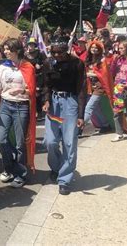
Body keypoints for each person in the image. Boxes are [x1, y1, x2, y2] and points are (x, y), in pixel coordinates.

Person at [43, 36, 86, 195]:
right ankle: (56, 167)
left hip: (70, 103)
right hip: (53, 103)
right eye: (53, 52)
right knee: (51, 141)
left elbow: (81, 89)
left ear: (66, 50)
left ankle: (65, 179)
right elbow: (46, 85)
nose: (56, 55)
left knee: (69, 142)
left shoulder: (77, 64)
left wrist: (81, 115)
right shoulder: (49, 63)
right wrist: (46, 100)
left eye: (59, 52)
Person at [0, 38, 36, 188]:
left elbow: (33, 90)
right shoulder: (1, 67)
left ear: (17, 51)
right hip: (5, 105)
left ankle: (21, 174)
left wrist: (22, 90)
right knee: (0, 140)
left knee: (19, 143)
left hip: (21, 107)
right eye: (4, 49)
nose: (5, 52)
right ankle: (10, 167)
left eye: (8, 49)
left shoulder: (28, 67)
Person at [82, 40, 114, 135]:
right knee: (96, 109)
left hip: (100, 87)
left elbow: (104, 75)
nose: (94, 49)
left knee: (89, 107)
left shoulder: (102, 60)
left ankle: (78, 127)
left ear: (100, 49)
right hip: (90, 86)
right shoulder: (88, 59)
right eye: (92, 47)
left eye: (96, 48)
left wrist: (90, 74)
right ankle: (105, 125)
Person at [24, 37, 48, 120]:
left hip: (39, 77)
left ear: (35, 46)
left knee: (38, 95)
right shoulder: (25, 55)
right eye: (29, 45)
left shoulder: (40, 54)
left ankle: (39, 112)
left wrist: (40, 66)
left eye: (32, 45)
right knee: (29, 94)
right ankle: (31, 112)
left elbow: (47, 63)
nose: (30, 46)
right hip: (29, 77)